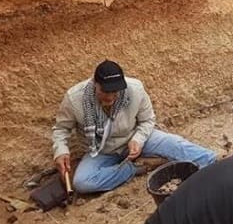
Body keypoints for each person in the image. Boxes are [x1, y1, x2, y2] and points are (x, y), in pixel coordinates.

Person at [51, 60, 217, 194]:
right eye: (106, 92)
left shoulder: (135, 89)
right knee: (82, 183)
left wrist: (137, 140)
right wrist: (61, 150)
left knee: (175, 143)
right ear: (95, 83)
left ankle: (214, 163)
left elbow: (147, 121)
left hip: (134, 138)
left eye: (115, 92)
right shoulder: (75, 98)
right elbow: (61, 130)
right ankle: (138, 167)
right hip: (100, 150)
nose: (111, 97)